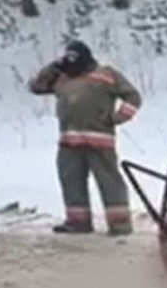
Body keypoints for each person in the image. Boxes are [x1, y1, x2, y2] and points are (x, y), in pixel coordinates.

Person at [28, 40, 142, 235]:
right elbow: (37, 87)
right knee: (71, 182)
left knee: (109, 182)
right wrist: (53, 67)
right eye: (68, 59)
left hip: (99, 140)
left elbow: (133, 97)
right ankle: (78, 223)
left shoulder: (106, 74)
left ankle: (119, 224)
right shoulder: (61, 77)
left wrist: (118, 117)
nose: (72, 65)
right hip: (69, 142)